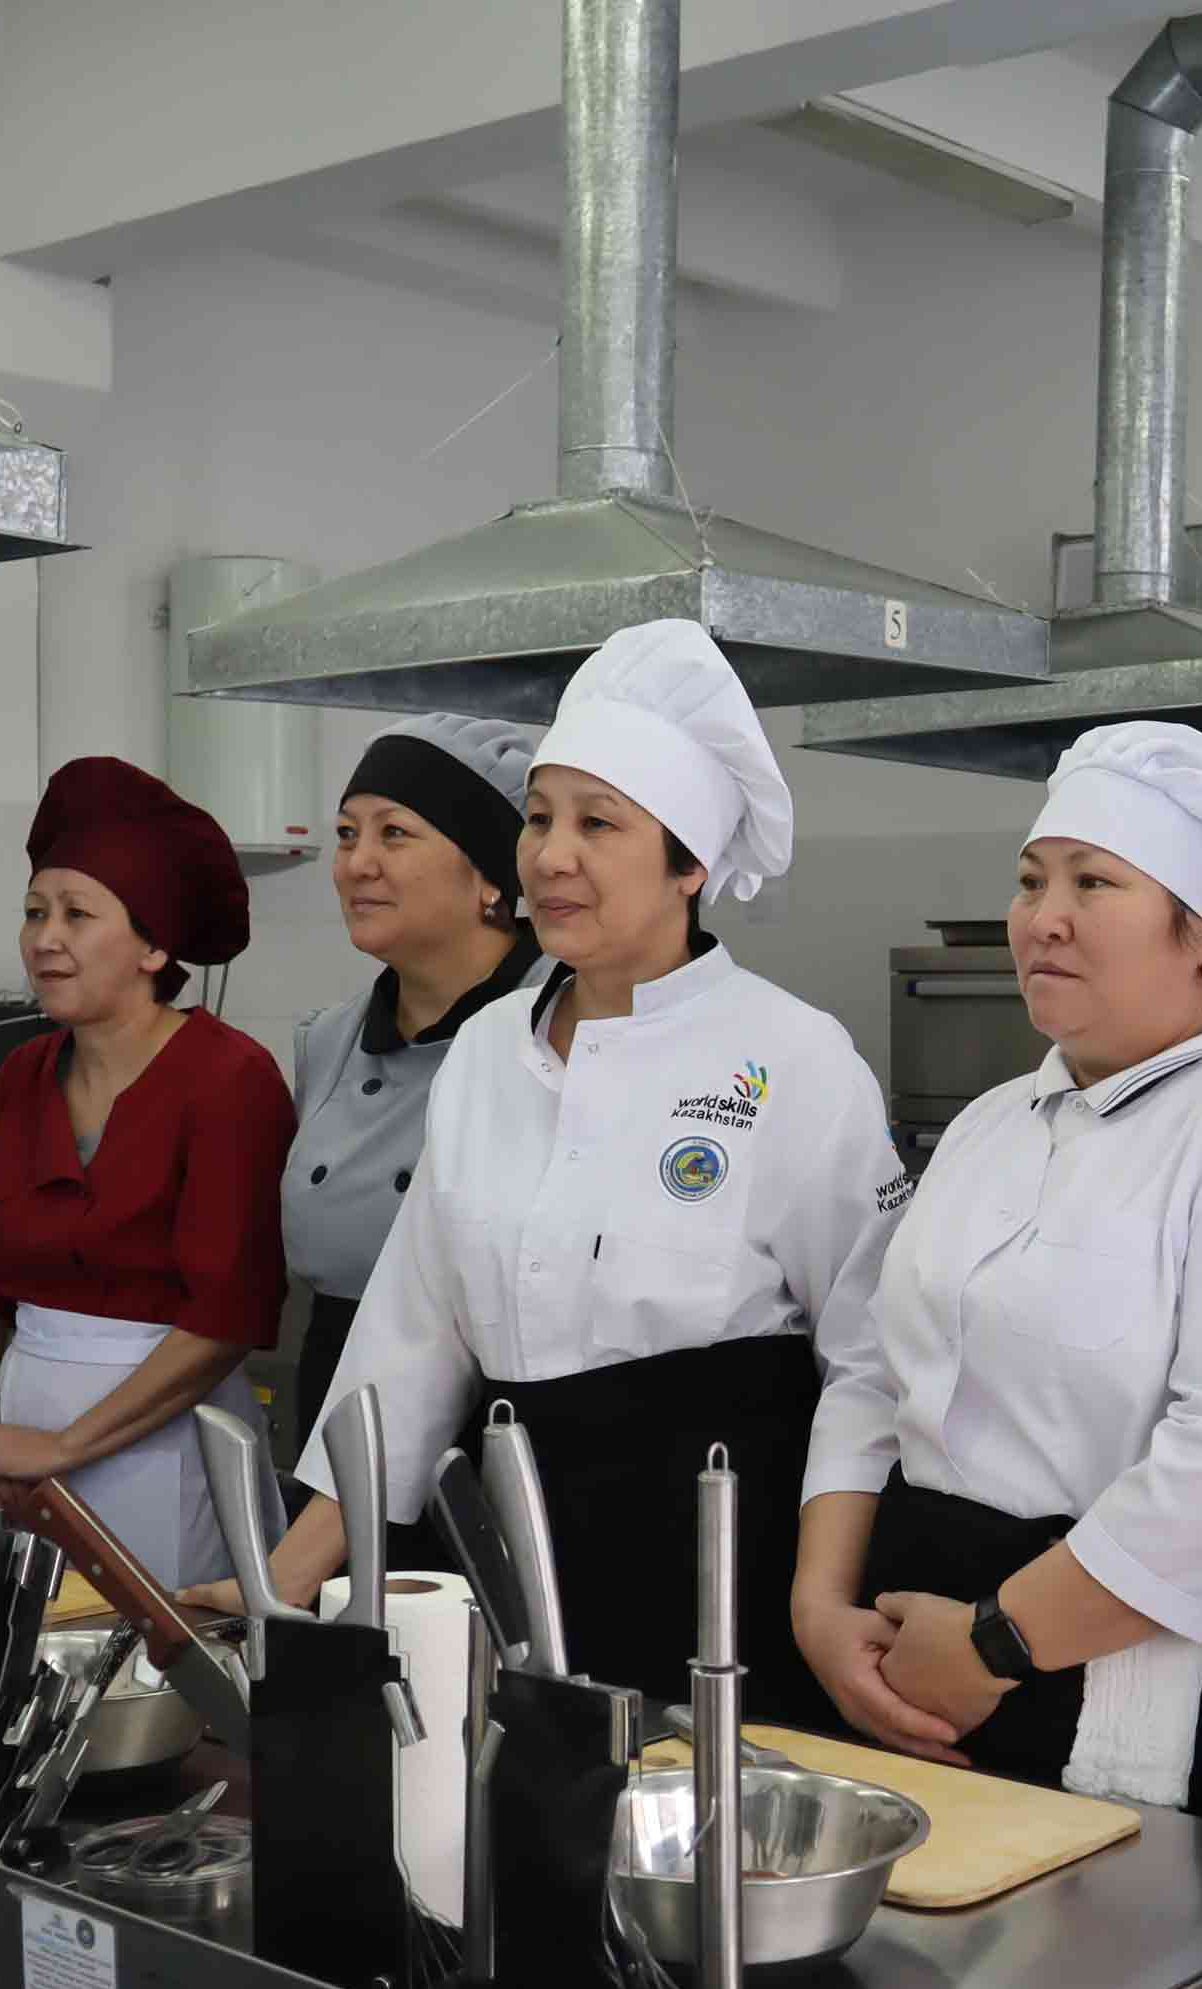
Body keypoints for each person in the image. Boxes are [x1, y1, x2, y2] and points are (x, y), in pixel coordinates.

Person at [263, 619, 900, 1718]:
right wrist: (283, 1582)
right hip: (516, 1555)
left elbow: (872, 1353)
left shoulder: (790, 1057)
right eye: (541, 817)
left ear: (689, 864)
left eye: (598, 822)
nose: (552, 855)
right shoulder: (486, 1052)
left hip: (722, 1567)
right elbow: (411, 1346)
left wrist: (822, 1597)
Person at [797, 723, 1202, 1837]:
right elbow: (872, 1371)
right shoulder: (986, 1127)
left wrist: (993, 1642)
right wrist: (821, 1608)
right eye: (1031, 880)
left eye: (1094, 881)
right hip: (910, 1658)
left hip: (1128, 1699)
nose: (1044, 917)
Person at [0, 757, 293, 1589]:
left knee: (152, 1656)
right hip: (14, 1445)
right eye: (34, 912)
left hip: (164, 1447)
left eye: (76, 914)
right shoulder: (23, 1071)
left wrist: (63, 1447)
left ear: (153, 945)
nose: (44, 938)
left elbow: (227, 1316)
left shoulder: (230, 1077)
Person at [280, 715, 550, 1439]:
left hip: (498, 1410)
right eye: (347, 834)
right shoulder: (329, 1039)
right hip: (339, 1394)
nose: (356, 863)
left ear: (489, 876)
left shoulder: (565, 1020)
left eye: (393, 833)